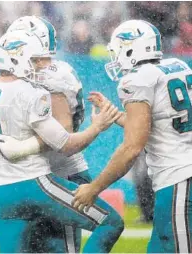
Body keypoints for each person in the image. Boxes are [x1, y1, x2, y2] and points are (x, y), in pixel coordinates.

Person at [0, 29, 124, 253]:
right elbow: (66, 145)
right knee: (111, 222)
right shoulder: (31, 94)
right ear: (18, 59)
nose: (41, 66)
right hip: (36, 185)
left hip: (2, 197)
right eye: (35, 60)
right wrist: (97, 127)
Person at [72, 20, 192, 253]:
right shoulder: (177, 66)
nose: (115, 58)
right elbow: (154, 125)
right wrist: (116, 115)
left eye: (117, 50)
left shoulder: (137, 79)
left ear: (131, 48)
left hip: (179, 180)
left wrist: (94, 188)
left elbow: (131, 148)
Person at [0, 16, 91, 252]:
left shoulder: (52, 75)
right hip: (30, 178)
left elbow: (62, 136)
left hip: (62, 172)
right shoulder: (22, 75)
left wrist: (23, 148)